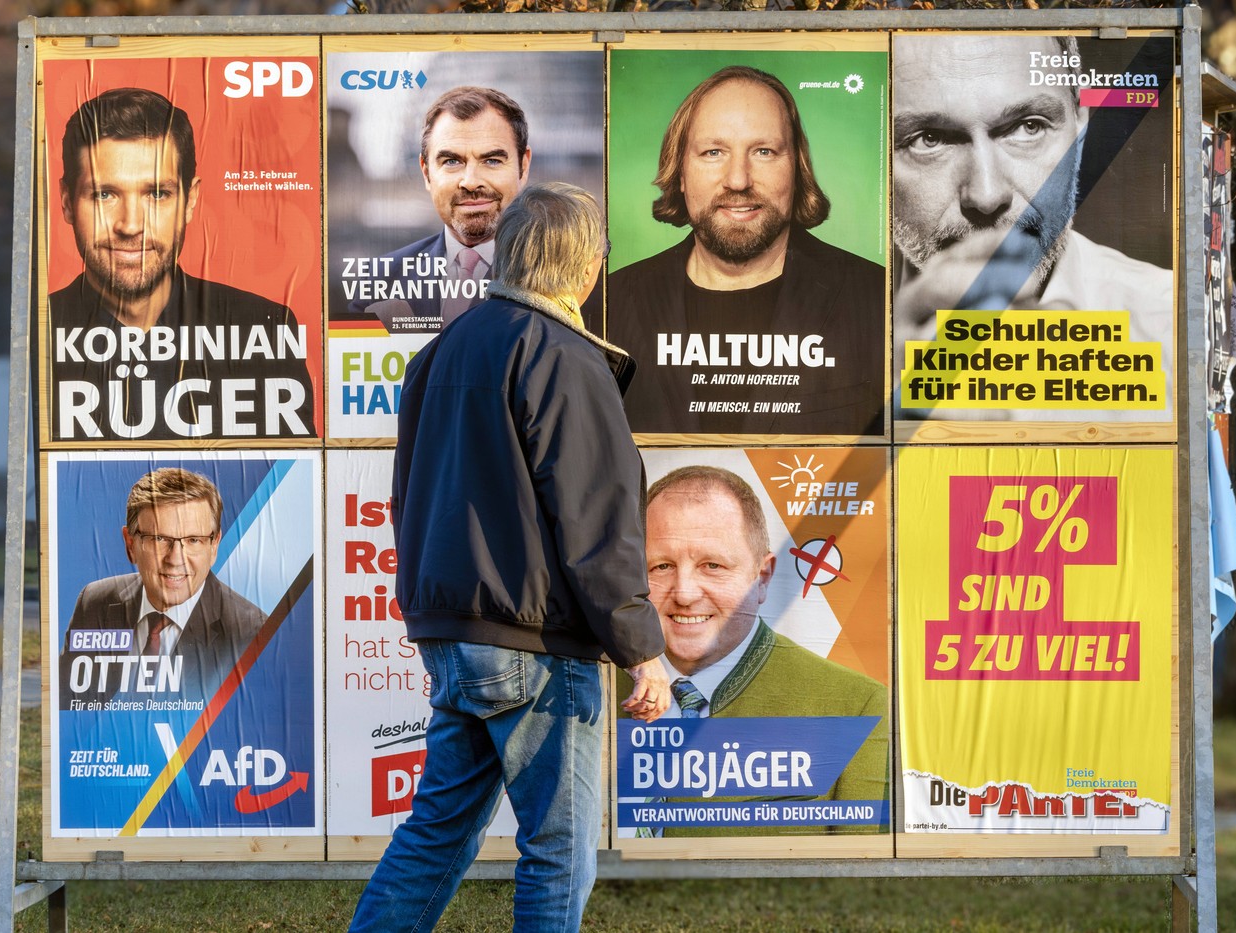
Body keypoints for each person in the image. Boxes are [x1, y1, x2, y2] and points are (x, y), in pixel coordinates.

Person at [349, 183, 670, 933]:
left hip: (452, 635)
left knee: (436, 834)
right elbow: (596, 523)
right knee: (559, 852)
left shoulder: (440, 351)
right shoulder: (562, 354)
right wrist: (642, 649)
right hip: (534, 645)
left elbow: (409, 499)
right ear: (588, 267)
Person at [891, 34, 1173, 405]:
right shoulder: (826, 339)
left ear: (1081, 129)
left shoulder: (1168, 324)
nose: (987, 195)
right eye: (928, 139)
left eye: (1029, 126)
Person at [608, 65, 885, 437]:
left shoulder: (880, 301)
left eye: (765, 151)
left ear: (797, 170)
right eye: (713, 152)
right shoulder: (606, 306)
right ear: (682, 174)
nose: (738, 179)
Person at [622, 465, 888, 836]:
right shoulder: (581, 693)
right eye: (661, 566)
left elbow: (862, 877)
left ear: (762, 577)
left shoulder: (855, 704)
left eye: (712, 565)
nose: (683, 593)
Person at [50, 87, 315, 441]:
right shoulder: (36, 336)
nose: (131, 226)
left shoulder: (265, 328)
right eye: (104, 194)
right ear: (67, 202)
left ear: (190, 200)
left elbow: (289, 483)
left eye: (157, 194)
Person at [58, 468, 265, 709]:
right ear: (130, 544)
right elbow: (68, 708)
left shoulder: (252, 633)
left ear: (214, 545)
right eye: (160, 539)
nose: (176, 559)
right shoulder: (94, 601)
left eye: (193, 540)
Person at [346, 86, 532, 329]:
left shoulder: (564, 277)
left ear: (523, 166)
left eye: (492, 161)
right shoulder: (378, 280)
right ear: (426, 173)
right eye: (452, 161)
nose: (470, 181)